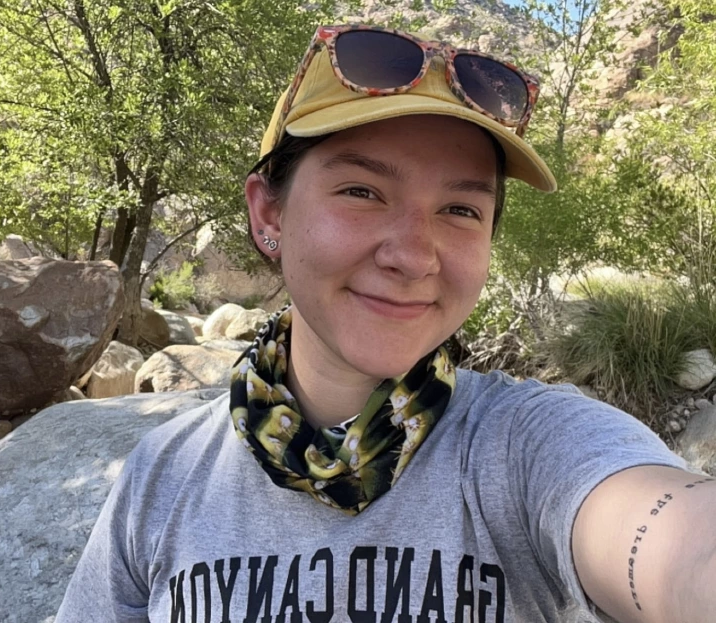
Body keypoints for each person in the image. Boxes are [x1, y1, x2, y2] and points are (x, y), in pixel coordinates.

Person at [56, 24, 716, 623]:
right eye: (363, 192)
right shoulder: (163, 478)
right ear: (269, 216)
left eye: (459, 209)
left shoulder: (529, 445)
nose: (412, 255)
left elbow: (667, 535)